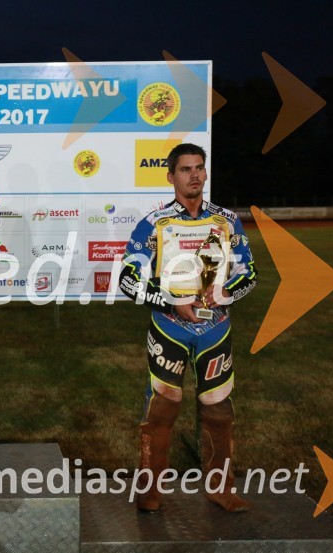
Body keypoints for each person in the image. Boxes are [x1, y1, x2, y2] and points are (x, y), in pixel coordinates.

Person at [118, 143, 257, 512]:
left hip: (215, 330)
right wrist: (170, 301)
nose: (194, 175)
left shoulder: (227, 220)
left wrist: (225, 293)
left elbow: (249, 273)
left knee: (219, 410)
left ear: (205, 173)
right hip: (169, 327)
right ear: (171, 176)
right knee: (162, 409)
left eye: (199, 168)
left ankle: (220, 488)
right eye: (185, 169)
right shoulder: (155, 223)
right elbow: (128, 279)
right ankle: (149, 490)